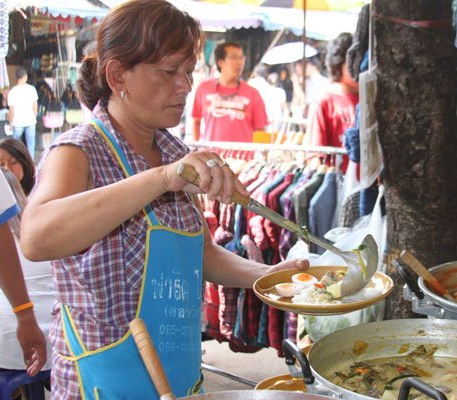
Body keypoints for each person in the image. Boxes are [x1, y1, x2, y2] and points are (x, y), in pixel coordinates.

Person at [19, 1, 307, 398]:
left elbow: (200, 254)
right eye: (170, 71)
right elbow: (35, 238)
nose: (186, 86)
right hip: (103, 384)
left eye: (189, 72)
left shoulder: (174, 151)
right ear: (118, 74)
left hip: (178, 377)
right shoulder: (80, 151)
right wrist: (161, 179)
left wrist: (271, 276)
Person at [0, 169, 53, 371]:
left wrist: (24, 315)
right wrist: (24, 315)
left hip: (13, 350)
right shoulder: (40, 232)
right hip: (54, 342)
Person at [191, 41, 268, 142]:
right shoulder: (203, 89)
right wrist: (196, 149)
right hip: (210, 156)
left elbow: (260, 130)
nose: (240, 62)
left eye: (241, 58)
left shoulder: (253, 94)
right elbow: (196, 121)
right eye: (234, 57)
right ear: (220, 62)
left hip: (242, 157)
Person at [306, 32, 359, 150]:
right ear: (339, 63)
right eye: (353, 62)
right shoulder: (323, 101)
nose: (359, 67)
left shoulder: (369, 97)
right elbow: (315, 155)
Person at [7, 67, 39, 159]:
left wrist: (10, 123)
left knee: (15, 146)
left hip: (17, 122)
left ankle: (16, 161)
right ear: (25, 77)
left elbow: (11, 111)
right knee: (30, 145)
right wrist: (34, 117)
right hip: (30, 121)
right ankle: (31, 165)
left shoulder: (12, 91)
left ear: (16, 78)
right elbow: (35, 107)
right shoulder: (32, 89)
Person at [248, 63, 288, 133]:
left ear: (255, 72)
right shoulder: (267, 86)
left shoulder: (250, 83)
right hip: (268, 117)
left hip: (253, 115)